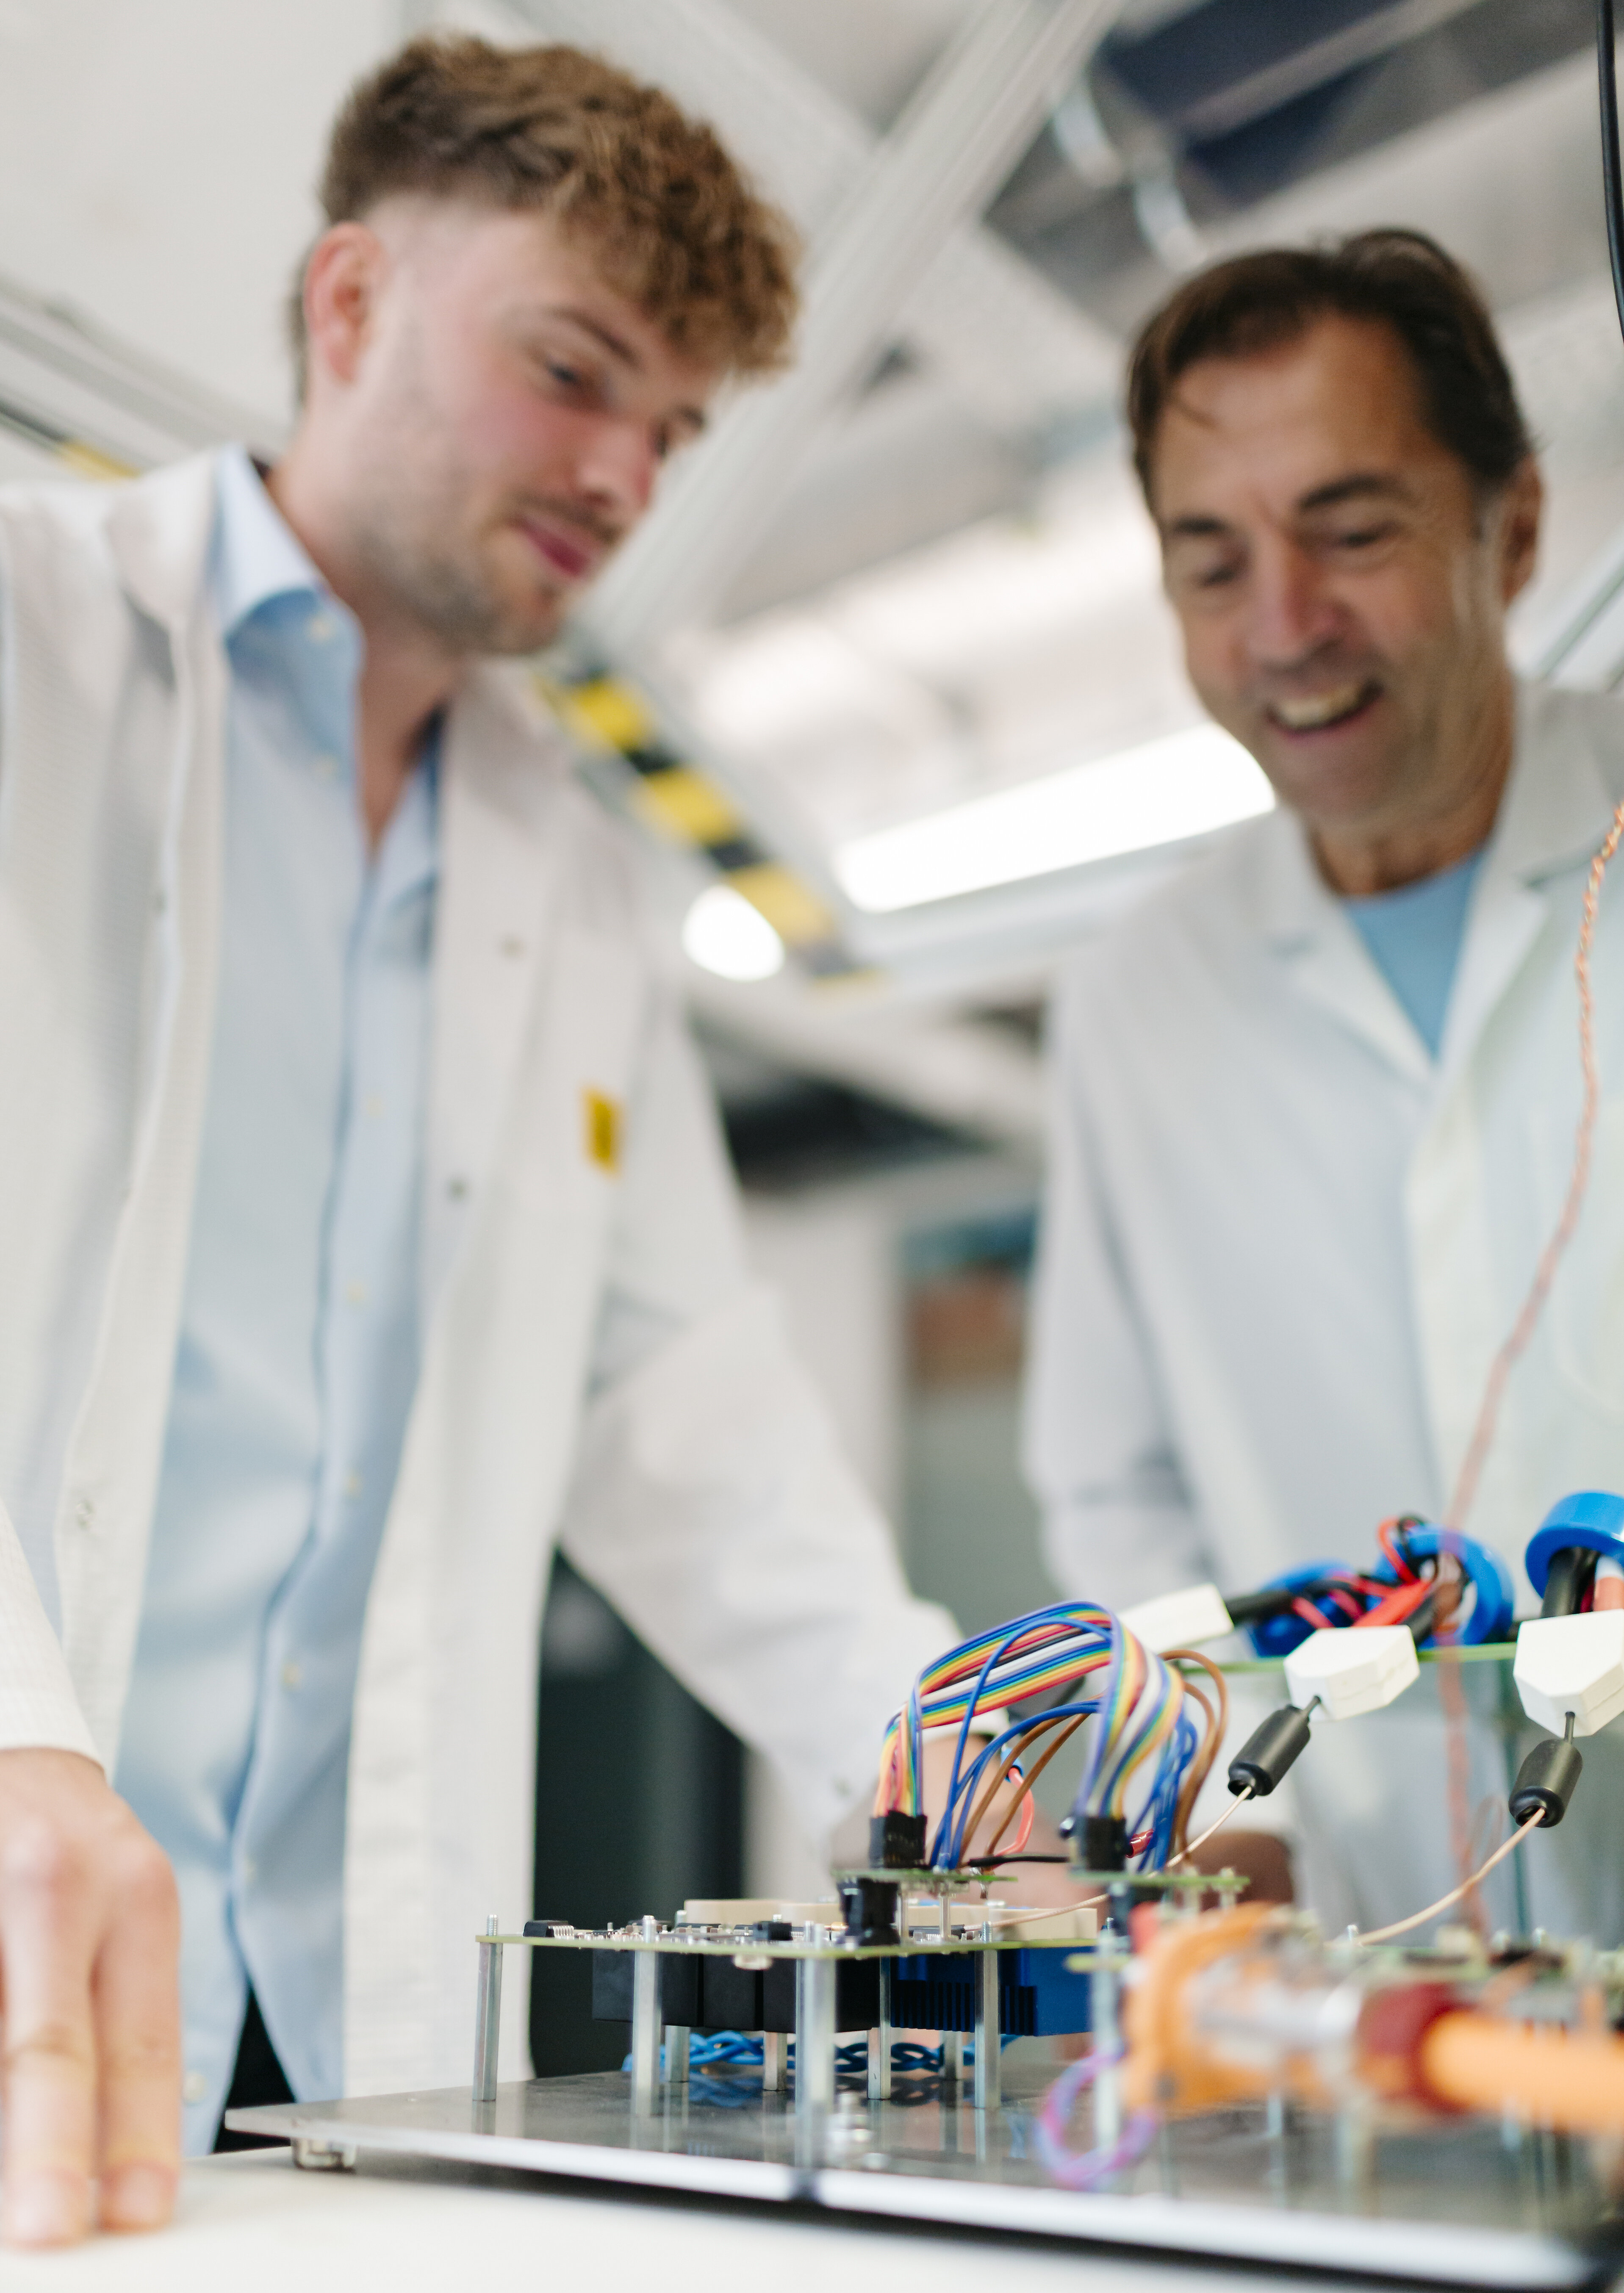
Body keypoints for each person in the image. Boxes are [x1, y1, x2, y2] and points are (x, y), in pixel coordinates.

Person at [0, 36, 974, 2247]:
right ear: (347, 306)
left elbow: (677, 1400)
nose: (626, 472)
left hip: (343, 2004)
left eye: (676, 424)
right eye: (574, 369)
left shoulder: (583, 870)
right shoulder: (31, 641)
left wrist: (938, 1756)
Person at [1024, 231, 1624, 1942]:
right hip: (1364, 1940)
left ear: (1508, 530)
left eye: (1350, 532)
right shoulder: (1138, 993)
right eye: (1209, 564)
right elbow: (1113, 1481)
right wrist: (1214, 1800)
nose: (1281, 627)